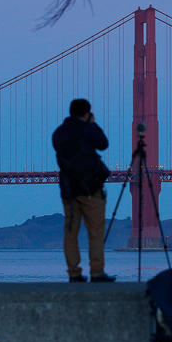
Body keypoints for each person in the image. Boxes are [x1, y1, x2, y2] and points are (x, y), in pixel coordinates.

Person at [52, 98, 115, 283]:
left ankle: (74, 273)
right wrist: (92, 124)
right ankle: (97, 272)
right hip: (91, 189)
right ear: (87, 113)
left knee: (70, 233)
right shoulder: (89, 129)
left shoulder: (59, 133)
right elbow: (103, 144)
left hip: (69, 190)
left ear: (70, 112)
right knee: (95, 231)